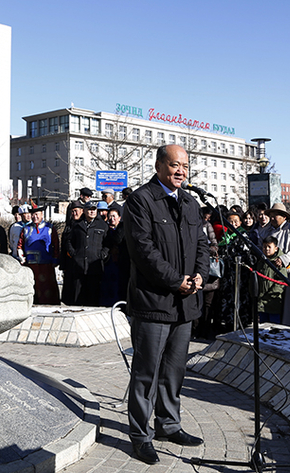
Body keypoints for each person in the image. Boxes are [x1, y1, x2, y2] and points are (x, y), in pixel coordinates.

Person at [123, 145, 207, 464]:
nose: (181, 171)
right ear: (159, 166)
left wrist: (199, 275)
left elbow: (201, 243)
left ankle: (168, 425)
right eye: (175, 165)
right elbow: (143, 251)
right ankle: (140, 435)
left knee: (173, 372)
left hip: (184, 305)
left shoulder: (189, 202)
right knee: (147, 372)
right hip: (153, 303)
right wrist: (177, 280)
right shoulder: (140, 200)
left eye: (185, 165)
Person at [259, 202, 290, 327]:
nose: (273, 218)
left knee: (287, 307)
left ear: (284, 217)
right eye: (271, 216)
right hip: (268, 274)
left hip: (287, 272)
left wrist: (284, 259)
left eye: (276, 216)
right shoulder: (265, 231)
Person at [61, 201, 109, 306]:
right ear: (85, 211)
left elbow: (108, 242)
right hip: (79, 266)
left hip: (94, 266)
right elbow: (69, 241)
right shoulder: (77, 225)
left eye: (94, 210)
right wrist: (73, 253)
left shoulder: (102, 225)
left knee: (93, 297)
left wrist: (103, 254)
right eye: (90, 210)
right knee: (77, 296)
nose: (92, 212)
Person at [18, 203, 60, 305]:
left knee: (47, 288)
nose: (35, 216)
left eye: (37, 214)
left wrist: (55, 259)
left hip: (46, 264)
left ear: (42, 215)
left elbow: (56, 245)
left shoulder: (49, 228)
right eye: (33, 214)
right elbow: (20, 245)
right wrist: (22, 258)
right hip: (30, 265)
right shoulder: (26, 229)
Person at [256, 236, 286, 324]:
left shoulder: (279, 263)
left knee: (274, 325)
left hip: (273, 300)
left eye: (269, 247)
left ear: (276, 248)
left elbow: (281, 281)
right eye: (265, 247)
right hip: (261, 299)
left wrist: (272, 294)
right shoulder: (261, 261)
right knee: (263, 325)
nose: (267, 249)